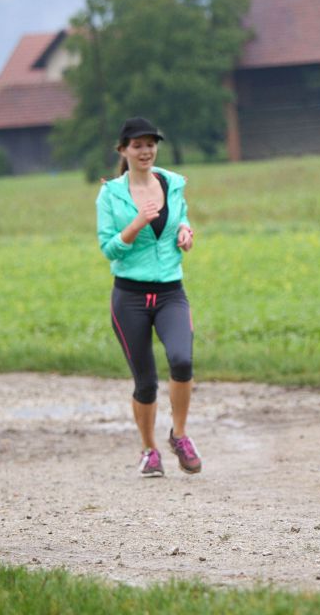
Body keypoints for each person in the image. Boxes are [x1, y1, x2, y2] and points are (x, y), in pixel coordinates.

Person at [96, 116, 202, 478]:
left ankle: (180, 435)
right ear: (123, 150)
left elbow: (181, 216)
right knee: (145, 382)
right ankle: (149, 450)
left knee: (182, 361)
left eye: (151, 144)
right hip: (130, 297)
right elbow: (109, 249)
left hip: (171, 291)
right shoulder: (110, 194)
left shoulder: (171, 182)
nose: (146, 150)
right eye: (137, 145)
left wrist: (186, 231)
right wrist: (137, 222)